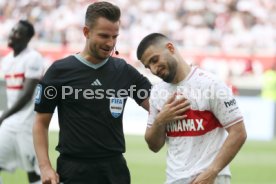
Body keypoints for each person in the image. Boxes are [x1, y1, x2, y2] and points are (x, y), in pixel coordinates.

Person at [33, 2, 151, 184]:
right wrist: (45, 167)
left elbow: (157, 105)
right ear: (86, 32)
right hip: (73, 170)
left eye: (115, 37)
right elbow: (41, 124)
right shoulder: (59, 71)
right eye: (104, 36)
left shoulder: (123, 70)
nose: (110, 43)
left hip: (115, 170)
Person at [136, 33, 247, 184]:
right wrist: (160, 121)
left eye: (155, 60)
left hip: (211, 179)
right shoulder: (157, 92)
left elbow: (238, 132)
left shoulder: (211, 84)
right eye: (149, 67)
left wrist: (212, 171)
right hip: (174, 179)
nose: (154, 69)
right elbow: (154, 146)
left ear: (170, 48)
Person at [0, 20, 43, 184]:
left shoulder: (33, 58)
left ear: (27, 39)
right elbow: (5, 94)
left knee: (34, 174)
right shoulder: (6, 60)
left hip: (28, 125)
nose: (12, 35)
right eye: (13, 30)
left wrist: (3, 116)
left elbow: (26, 95)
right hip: (10, 124)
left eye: (18, 33)